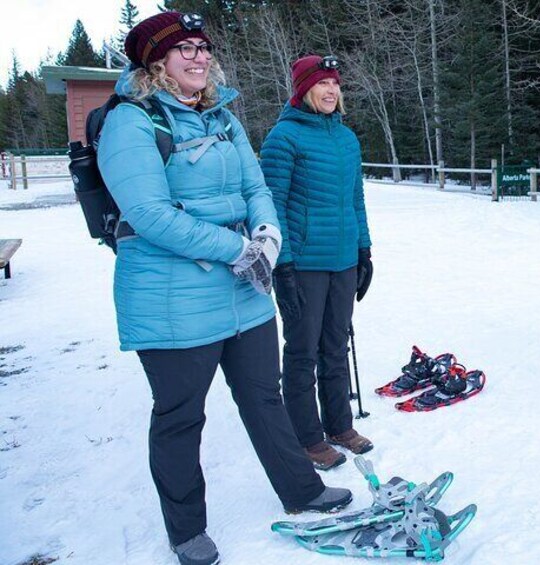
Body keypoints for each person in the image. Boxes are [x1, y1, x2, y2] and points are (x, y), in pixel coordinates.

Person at [97, 13, 352, 565]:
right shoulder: (132, 121)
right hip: (172, 297)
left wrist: (265, 234)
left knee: (264, 397)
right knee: (181, 415)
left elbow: (255, 185)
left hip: (242, 290)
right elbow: (147, 213)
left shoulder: (223, 117)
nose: (198, 57)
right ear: (155, 60)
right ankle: (186, 529)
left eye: (203, 48)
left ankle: (303, 491)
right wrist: (237, 250)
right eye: (183, 49)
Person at [260, 55, 373, 471]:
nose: (331, 91)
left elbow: (355, 200)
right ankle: (307, 436)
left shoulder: (347, 140)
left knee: (335, 345)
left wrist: (364, 250)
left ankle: (340, 425)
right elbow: (273, 206)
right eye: (321, 84)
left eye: (335, 84)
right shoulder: (283, 138)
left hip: (343, 260)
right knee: (303, 350)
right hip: (304, 263)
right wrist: (283, 267)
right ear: (303, 90)